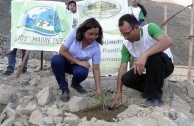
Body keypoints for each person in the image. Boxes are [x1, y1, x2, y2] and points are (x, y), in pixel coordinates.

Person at [110, 14, 174, 108]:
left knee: (154, 56)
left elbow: (167, 41)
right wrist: (118, 91)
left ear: (136, 27)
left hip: (164, 66)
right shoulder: (126, 45)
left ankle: (155, 98)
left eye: (127, 33)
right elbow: (123, 68)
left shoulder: (149, 29)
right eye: (122, 34)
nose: (125, 37)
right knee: (126, 78)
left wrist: (144, 55)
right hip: (146, 72)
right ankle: (152, 88)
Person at [51, 18, 103, 102]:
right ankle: (64, 89)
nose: (93, 37)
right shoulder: (74, 33)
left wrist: (98, 91)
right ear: (83, 31)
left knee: (82, 72)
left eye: (96, 34)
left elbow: (96, 69)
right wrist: (79, 62)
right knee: (56, 60)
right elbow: (62, 51)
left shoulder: (96, 47)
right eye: (90, 34)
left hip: (76, 67)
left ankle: (75, 84)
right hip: (64, 61)